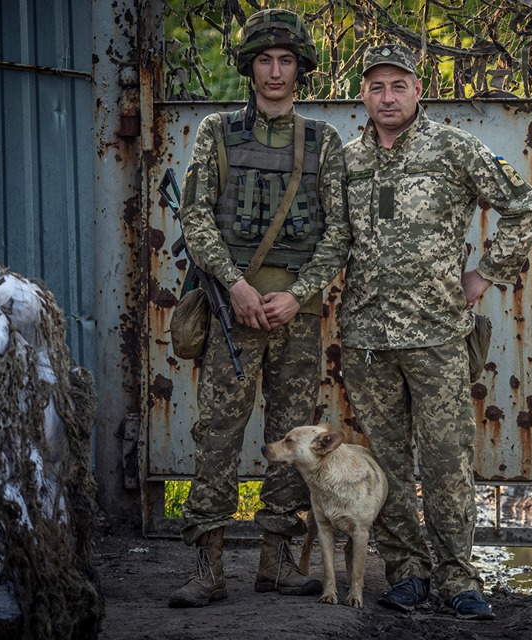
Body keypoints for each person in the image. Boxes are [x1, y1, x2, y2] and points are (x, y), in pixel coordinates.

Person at [263, 43, 532, 620]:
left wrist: (486, 274)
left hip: (439, 334)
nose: (387, 97)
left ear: (418, 91)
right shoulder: (346, 159)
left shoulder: (452, 148)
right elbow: (336, 240)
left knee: (447, 459)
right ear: (362, 95)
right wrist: (297, 293)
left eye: (398, 86)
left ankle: (459, 578)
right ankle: (407, 572)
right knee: (386, 465)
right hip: (367, 338)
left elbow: (527, 205)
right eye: (376, 87)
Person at [168, 9, 347, 608]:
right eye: (265, 60)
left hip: (296, 315)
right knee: (217, 434)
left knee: (291, 437)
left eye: (286, 60)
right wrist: (236, 286)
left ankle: (276, 565)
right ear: (250, 68)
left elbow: (339, 232)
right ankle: (207, 569)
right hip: (232, 312)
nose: (276, 71)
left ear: (300, 69)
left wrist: (296, 294)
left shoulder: (323, 141)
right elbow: (195, 216)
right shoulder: (217, 132)